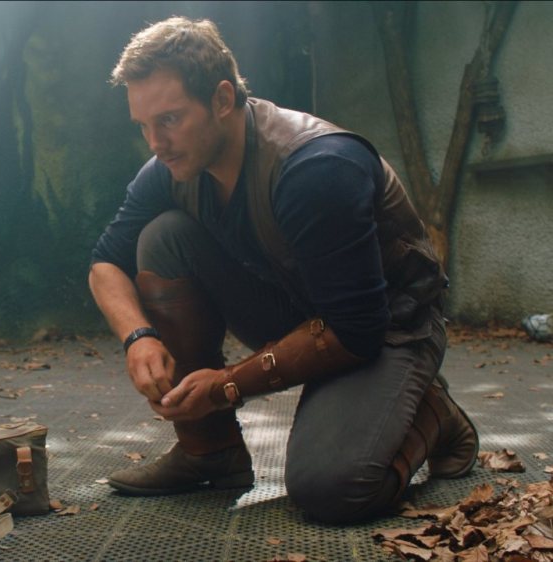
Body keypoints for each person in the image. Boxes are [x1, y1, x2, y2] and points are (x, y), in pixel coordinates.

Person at [88, 16, 479, 524]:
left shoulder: (314, 167)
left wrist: (226, 384)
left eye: (169, 119)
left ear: (222, 99)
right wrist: (137, 337)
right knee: (163, 238)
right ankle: (209, 451)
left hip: (387, 329)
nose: (155, 142)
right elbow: (105, 262)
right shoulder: (170, 167)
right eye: (143, 125)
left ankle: (434, 414)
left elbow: (356, 330)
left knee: (330, 489)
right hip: (299, 307)